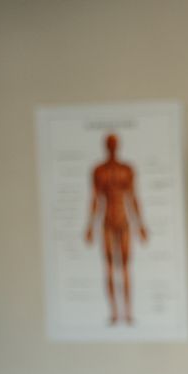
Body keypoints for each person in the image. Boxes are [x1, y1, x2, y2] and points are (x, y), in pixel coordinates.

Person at [84, 132, 148, 326]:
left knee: (126, 267)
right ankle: (114, 312)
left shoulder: (126, 170)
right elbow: (95, 199)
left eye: (114, 143)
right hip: (107, 222)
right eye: (109, 143)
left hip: (124, 221)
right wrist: (90, 226)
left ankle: (128, 312)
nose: (112, 146)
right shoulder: (99, 170)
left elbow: (132, 197)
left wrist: (140, 225)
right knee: (110, 268)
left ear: (117, 145)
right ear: (106, 145)